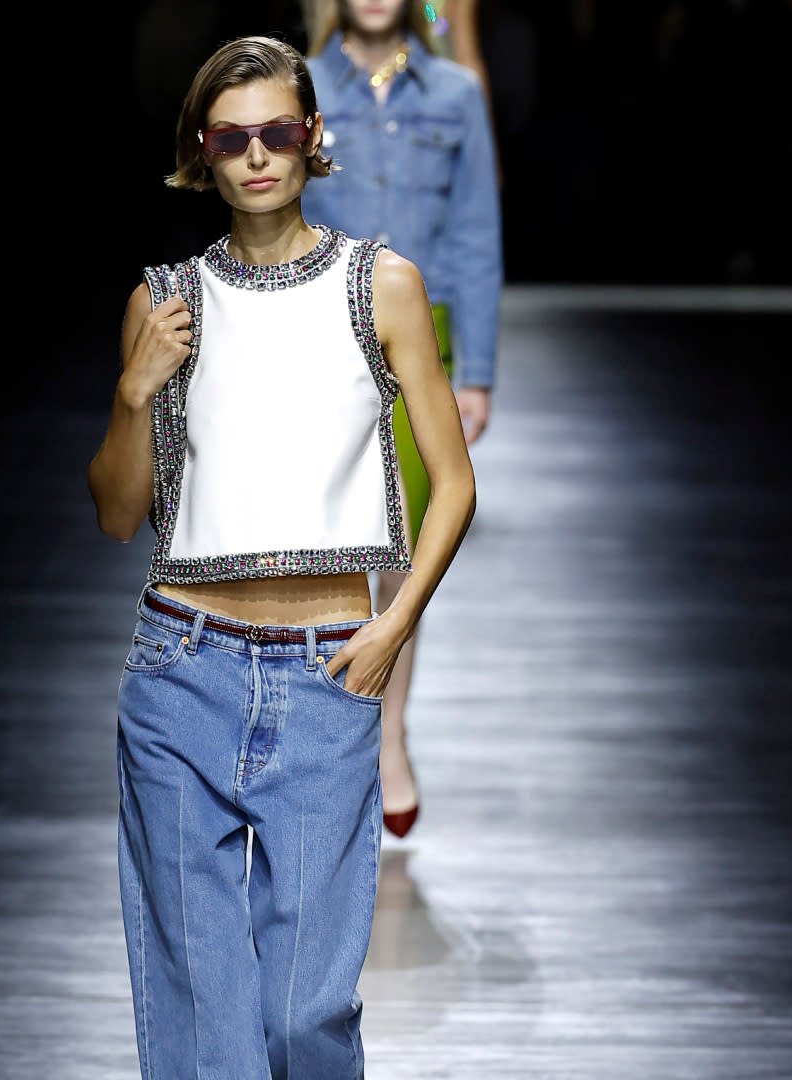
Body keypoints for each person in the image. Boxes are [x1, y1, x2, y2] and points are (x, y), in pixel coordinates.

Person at [87, 34, 476, 1079]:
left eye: (279, 131)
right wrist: (135, 393)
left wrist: (391, 626)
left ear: (313, 140)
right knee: (200, 1010)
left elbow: (454, 484)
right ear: (200, 152)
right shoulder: (163, 303)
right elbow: (120, 514)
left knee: (307, 1013)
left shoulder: (379, 286)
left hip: (327, 669)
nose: (257, 155)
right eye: (232, 137)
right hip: (181, 671)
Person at [300, 0, 503, 838]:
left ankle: (386, 736)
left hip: (424, 350)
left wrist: (477, 371)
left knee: (399, 555)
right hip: (313, 345)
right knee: (313, 547)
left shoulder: (454, 93)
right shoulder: (299, 86)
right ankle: (323, 740)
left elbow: (474, 233)